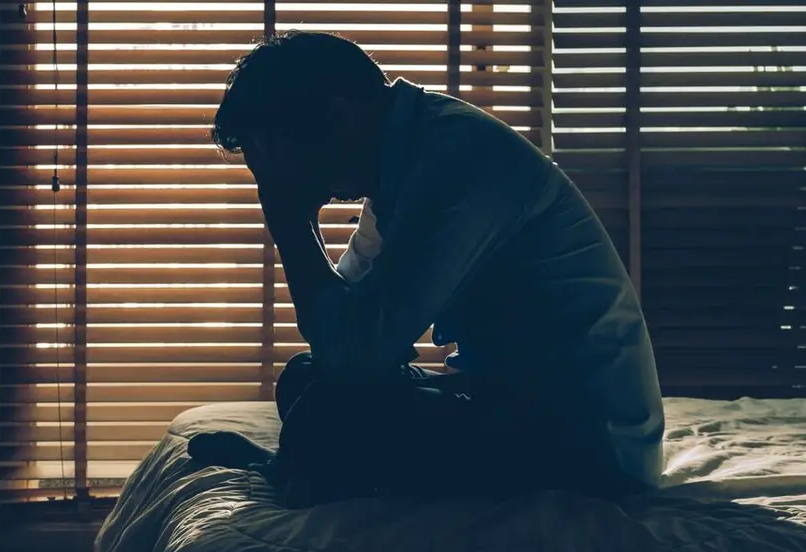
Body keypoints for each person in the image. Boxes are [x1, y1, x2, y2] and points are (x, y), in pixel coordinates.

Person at [187, 30, 665, 508]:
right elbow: (339, 330)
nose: (276, 178)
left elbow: (358, 352)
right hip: (509, 401)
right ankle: (298, 468)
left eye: (279, 157)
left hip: (588, 449)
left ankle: (300, 471)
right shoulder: (402, 163)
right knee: (303, 378)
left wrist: (288, 221)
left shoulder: (458, 162)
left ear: (337, 118)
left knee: (330, 409)